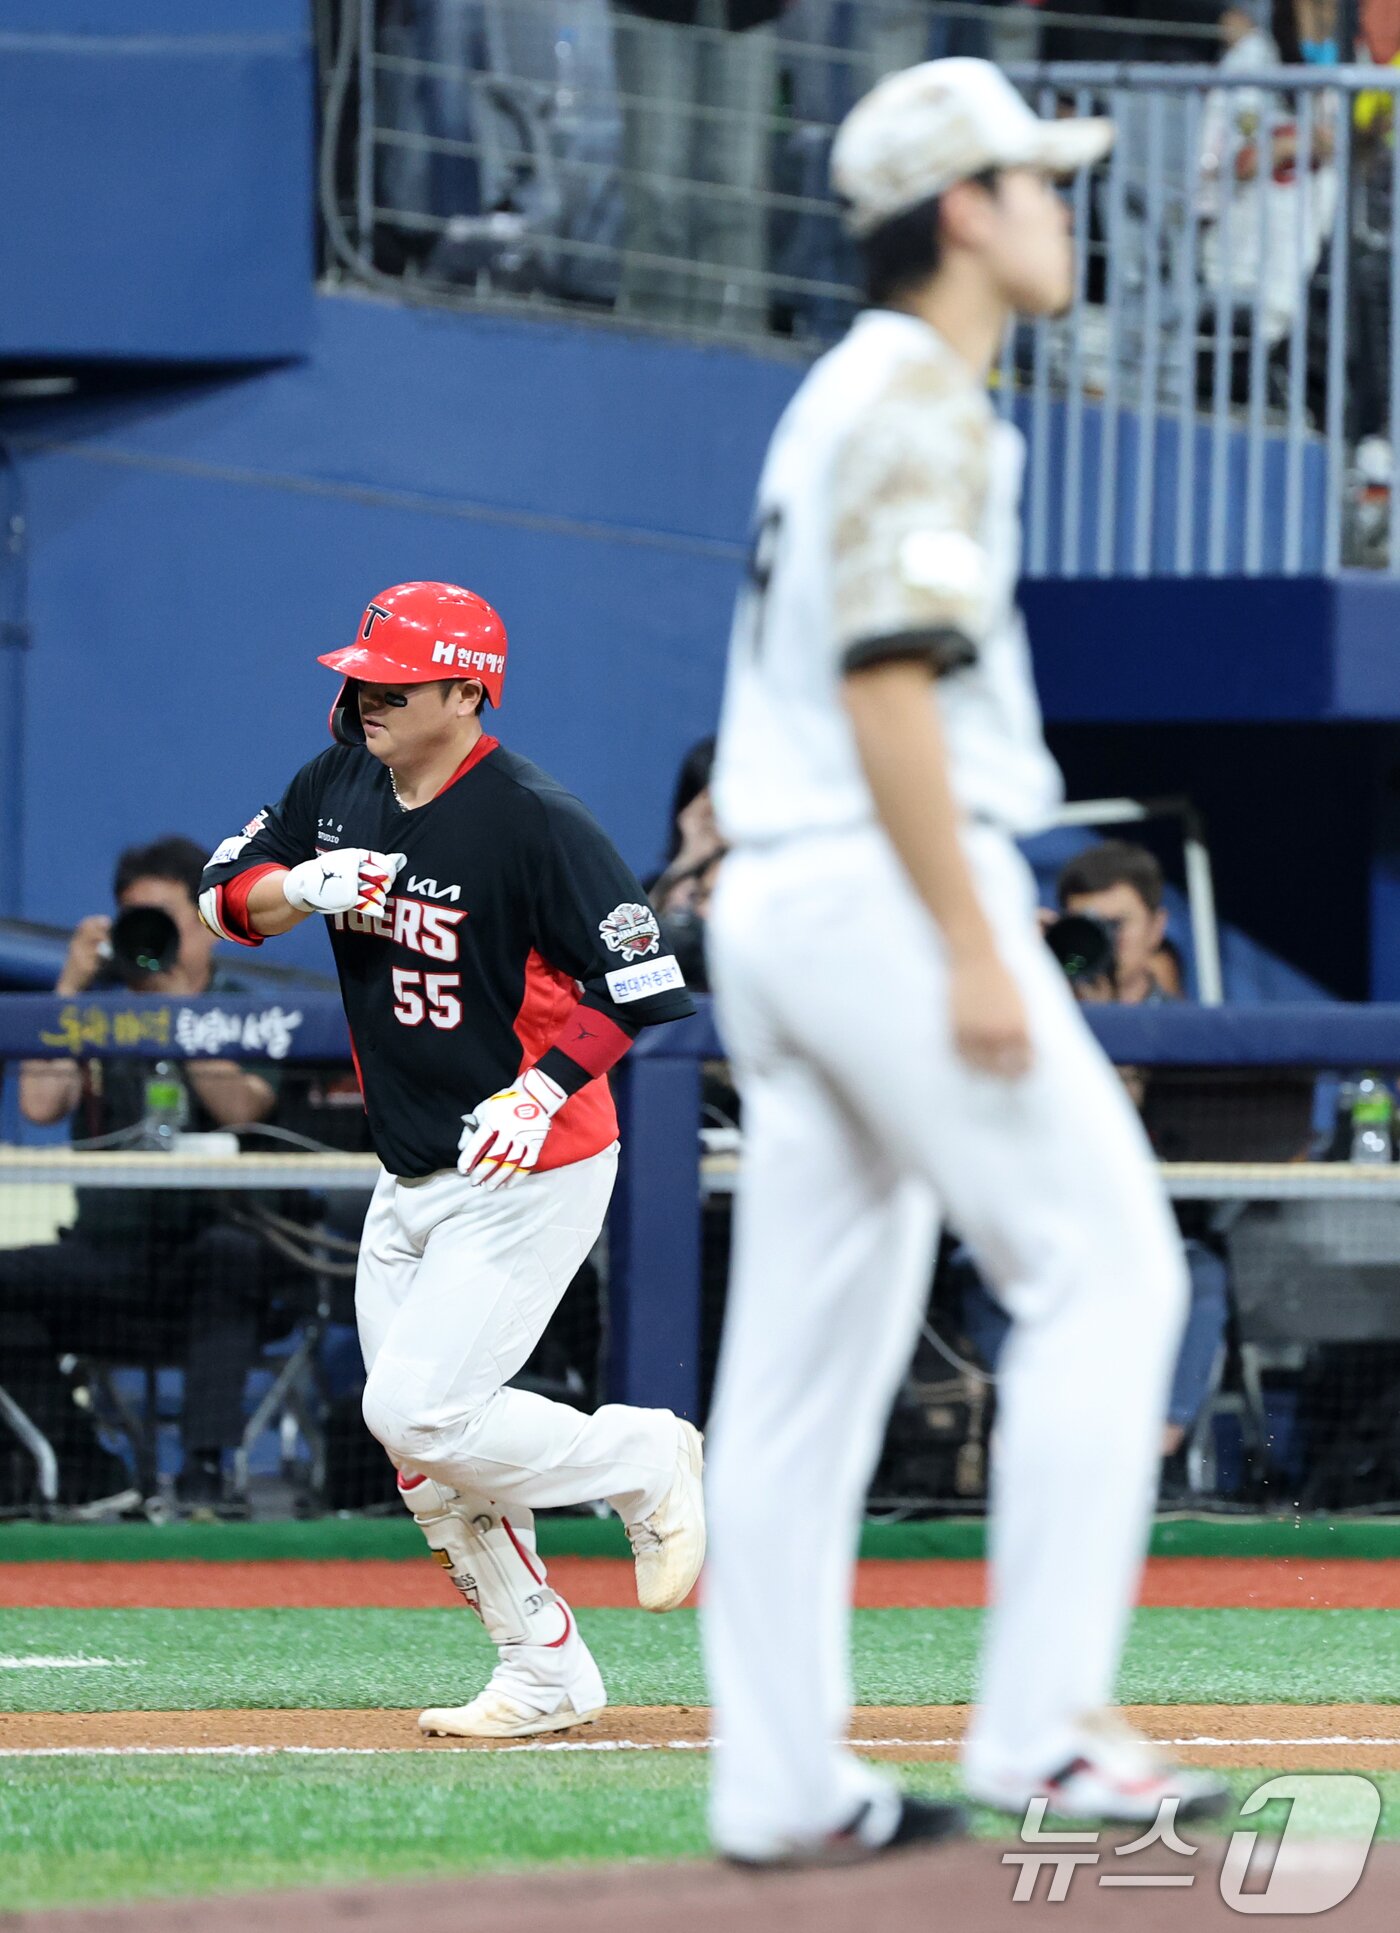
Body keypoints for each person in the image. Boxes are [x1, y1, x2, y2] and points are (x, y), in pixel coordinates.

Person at [703, 59, 1227, 1866]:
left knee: (793, 1380)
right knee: (1109, 1274)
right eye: (1037, 182)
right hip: (875, 889)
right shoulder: (919, 392)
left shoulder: (836, 394)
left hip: (777, 900)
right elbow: (888, 679)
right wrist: (968, 941)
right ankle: (1047, 1728)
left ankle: (781, 1782)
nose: (1064, 212)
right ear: (963, 212)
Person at [199, 580, 702, 1740]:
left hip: (535, 1159)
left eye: (390, 681)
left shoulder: (533, 816)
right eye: (359, 675)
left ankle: (641, 1455)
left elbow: (639, 986)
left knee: (419, 1413)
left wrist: (543, 1085)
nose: (361, 695)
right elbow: (223, 905)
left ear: (465, 692)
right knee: (420, 1455)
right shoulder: (338, 782)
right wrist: (299, 888)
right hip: (411, 1161)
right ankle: (542, 1671)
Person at [6, 838, 280, 1517]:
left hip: (213, 1258)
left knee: (231, 1257)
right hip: (105, 1260)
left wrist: (177, 1011)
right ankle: (87, 1470)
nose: (150, 937)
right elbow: (40, 1105)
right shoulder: (97, 1003)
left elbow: (241, 1105)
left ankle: (205, 1477)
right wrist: (69, 990)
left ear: (206, 926)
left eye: (166, 919)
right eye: (137, 919)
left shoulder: (237, 1004)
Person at [964, 842, 1232, 1487]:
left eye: (1118, 926)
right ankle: (1037, 1431)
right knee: (976, 1269)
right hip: (1039, 1227)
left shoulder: (1197, 1030)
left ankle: (1146, 1450)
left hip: (1158, 1232)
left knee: (1196, 1274)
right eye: (1089, 925)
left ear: (1158, 929)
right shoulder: (1028, 1017)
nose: (1103, 942)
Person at [610, 0, 786, 332]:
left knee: (736, 188)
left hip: (747, 14)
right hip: (652, 12)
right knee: (656, 187)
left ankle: (736, 338)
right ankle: (645, 337)